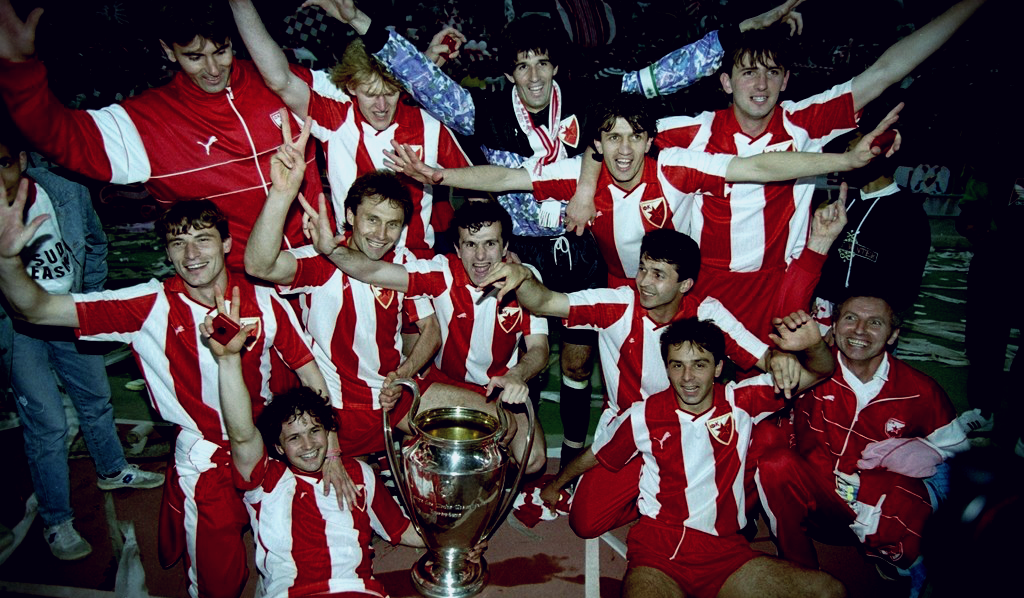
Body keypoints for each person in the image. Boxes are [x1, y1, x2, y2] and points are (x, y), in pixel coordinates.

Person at [312, 0, 805, 471]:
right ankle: (481, 440)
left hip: (579, 246)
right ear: (509, 72)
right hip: (520, 250)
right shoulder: (483, 110)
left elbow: (666, 74)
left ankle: (572, 451)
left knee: (577, 361)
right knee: (511, 351)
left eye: (543, 64)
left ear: (556, 67)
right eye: (522, 66)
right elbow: (424, 80)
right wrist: (361, 21)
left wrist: (743, 30)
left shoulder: (588, 97)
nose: (534, 77)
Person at [573, 0, 987, 340]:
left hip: (775, 286)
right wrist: (584, 190)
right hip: (703, 284)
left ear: (786, 80)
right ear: (726, 82)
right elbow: (605, 124)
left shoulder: (805, 122)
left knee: (771, 394)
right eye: (748, 72)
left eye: (771, 73)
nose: (761, 85)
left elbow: (886, 71)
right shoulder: (690, 132)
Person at [0, 189, 332, 597]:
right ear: (168, 252)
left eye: (203, 239)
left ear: (227, 244)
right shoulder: (147, 305)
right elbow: (35, 308)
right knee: (219, 584)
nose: (191, 254)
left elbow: (310, 371)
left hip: (266, 447)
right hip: (203, 457)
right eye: (178, 243)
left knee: (306, 556)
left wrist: (331, 449)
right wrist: (7, 260)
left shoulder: (264, 300)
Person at [480, 217, 844, 537]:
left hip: (694, 432)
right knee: (586, 522)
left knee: (764, 437)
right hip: (627, 431)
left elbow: (765, 358)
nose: (644, 282)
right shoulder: (617, 304)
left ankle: (727, 505)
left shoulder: (708, 314)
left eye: (658, 274)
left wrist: (783, 358)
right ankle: (658, 497)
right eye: (642, 269)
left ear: (685, 284)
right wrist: (524, 279)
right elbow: (545, 302)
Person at [0, 0, 324, 271]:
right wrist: (19, 70)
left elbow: (353, 104)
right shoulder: (146, 121)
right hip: (234, 284)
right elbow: (58, 135)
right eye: (194, 57)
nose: (213, 69)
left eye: (221, 51)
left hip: (319, 264)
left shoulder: (282, 82)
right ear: (169, 51)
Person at [542, 315, 845, 598]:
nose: (687, 377)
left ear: (718, 368)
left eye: (699, 365)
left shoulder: (743, 400)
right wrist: (556, 485)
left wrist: (814, 346)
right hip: (659, 550)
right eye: (677, 365)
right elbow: (596, 454)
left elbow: (821, 370)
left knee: (829, 591)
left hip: (725, 552)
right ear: (667, 368)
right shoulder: (643, 415)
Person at [0, 120, 162, 561]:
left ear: (22, 160)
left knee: (96, 400)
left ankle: (113, 469)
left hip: (67, 311)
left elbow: (95, 241)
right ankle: (57, 519)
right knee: (48, 423)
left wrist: (89, 299)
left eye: (4, 162)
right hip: (18, 326)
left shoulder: (64, 191)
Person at [203, 294, 427, 598]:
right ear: (278, 447)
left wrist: (458, 541)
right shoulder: (267, 479)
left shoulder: (360, 474)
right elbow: (242, 435)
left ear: (328, 431)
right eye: (294, 437)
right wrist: (229, 361)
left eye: (314, 431)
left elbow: (403, 531)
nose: (308, 445)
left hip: (360, 592)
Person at [302, 198, 548, 474]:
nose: (480, 256)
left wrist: (517, 375)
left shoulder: (526, 280)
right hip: (446, 382)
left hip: (501, 386)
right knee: (433, 462)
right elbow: (372, 271)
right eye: (470, 244)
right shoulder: (440, 272)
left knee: (533, 460)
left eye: (490, 243)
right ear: (457, 248)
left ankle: (482, 486)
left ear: (505, 247)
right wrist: (330, 249)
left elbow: (539, 349)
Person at [245, 116, 440, 457]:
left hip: (392, 400)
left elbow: (431, 331)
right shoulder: (321, 260)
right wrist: (281, 193)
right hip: (336, 411)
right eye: (372, 220)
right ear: (350, 215)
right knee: (361, 489)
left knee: (492, 429)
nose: (381, 235)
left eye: (392, 224)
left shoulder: (402, 260)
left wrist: (402, 375)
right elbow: (258, 265)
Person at [229, 0, 472, 259]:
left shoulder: (430, 124)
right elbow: (279, 79)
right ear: (352, 88)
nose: (381, 106)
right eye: (371, 94)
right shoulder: (336, 118)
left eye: (390, 93)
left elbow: (477, 188)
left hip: (413, 264)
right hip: (351, 260)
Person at [757, 295, 970, 583]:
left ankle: (900, 554)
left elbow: (961, 458)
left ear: (893, 335)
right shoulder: (810, 371)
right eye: (850, 318)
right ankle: (801, 570)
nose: (859, 330)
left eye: (875, 323)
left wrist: (913, 459)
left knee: (926, 476)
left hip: (876, 507)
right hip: (816, 500)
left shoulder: (920, 390)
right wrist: (778, 356)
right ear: (833, 326)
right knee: (772, 456)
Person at [812, 130, 931, 325]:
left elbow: (906, 285)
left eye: (854, 151)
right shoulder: (841, 203)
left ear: (879, 156)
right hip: (824, 313)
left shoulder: (909, 213)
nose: (848, 159)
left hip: (866, 321)